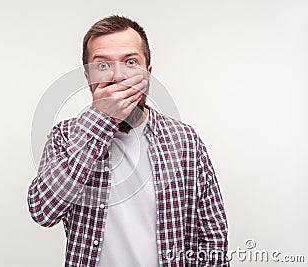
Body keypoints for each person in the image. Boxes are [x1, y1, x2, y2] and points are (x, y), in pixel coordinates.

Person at [28, 15, 229, 267]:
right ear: (88, 77)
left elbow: (212, 238)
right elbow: (43, 211)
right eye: (102, 66)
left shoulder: (186, 141)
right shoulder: (65, 137)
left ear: (148, 73)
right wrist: (101, 119)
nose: (118, 76)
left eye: (131, 62)